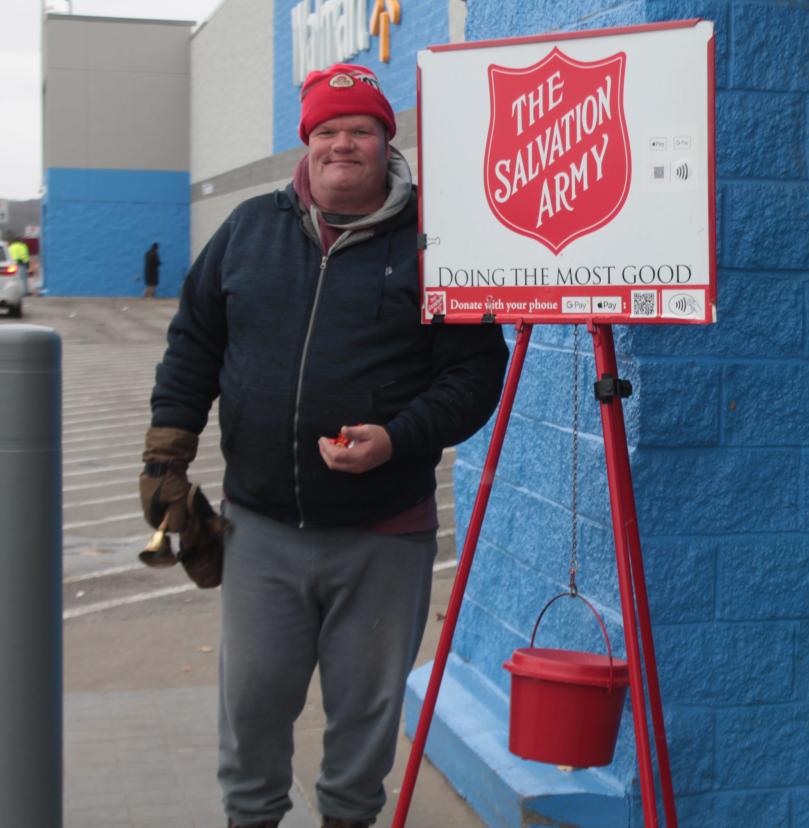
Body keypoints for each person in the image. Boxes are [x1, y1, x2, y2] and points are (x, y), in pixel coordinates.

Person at [139, 63, 509, 828]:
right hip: (262, 531)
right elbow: (193, 346)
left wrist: (398, 440)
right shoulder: (247, 230)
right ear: (307, 144)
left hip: (385, 533)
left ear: (386, 143)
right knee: (252, 710)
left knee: (364, 721)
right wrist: (165, 457)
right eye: (328, 130)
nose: (343, 143)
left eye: (361, 130)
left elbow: (475, 375)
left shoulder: (440, 242)